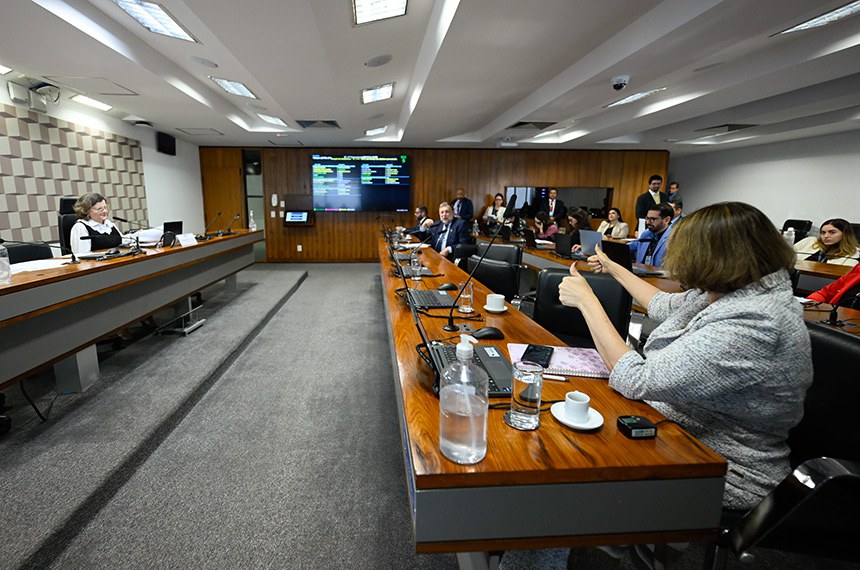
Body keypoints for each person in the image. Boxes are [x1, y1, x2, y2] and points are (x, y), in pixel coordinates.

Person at [559, 201, 812, 512]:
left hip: (724, 468)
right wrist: (614, 269)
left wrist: (587, 301)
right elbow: (662, 305)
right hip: (677, 431)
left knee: (563, 471)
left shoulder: (756, 323)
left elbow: (637, 379)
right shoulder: (736, 289)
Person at [793, 218, 859, 266]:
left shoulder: (853, 252)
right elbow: (786, 256)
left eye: (832, 232)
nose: (826, 236)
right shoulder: (810, 241)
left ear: (845, 234)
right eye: (823, 233)